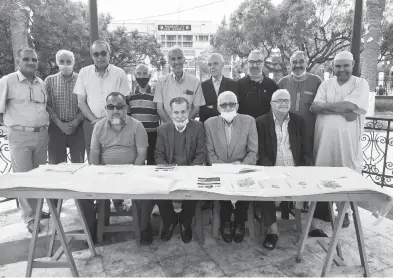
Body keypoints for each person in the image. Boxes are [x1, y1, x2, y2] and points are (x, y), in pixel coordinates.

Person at [310, 50, 370, 236]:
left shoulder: (360, 84)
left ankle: (344, 213)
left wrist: (328, 107)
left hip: (348, 144)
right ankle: (320, 215)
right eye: (338, 66)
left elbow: (350, 107)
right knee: (321, 177)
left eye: (345, 65)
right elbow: (314, 107)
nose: (342, 69)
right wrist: (343, 108)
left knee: (347, 177)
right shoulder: (325, 84)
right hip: (323, 143)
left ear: (353, 65)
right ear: (333, 67)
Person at [73, 40, 130, 211]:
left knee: (115, 161)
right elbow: (81, 102)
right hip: (92, 124)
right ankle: (100, 201)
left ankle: (117, 199)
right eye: (96, 54)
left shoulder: (119, 73)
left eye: (103, 53)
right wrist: (95, 120)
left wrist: (110, 121)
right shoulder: (84, 73)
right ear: (91, 55)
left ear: (109, 53)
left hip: (116, 124)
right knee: (95, 162)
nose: (100, 57)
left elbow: (123, 101)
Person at [0, 48, 50, 233]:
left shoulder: (41, 83)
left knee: (39, 176)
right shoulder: (8, 81)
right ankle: (30, 217)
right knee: (22, 177)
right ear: (18, 61)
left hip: (42, 134)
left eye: (34, 59)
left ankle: (38, 210)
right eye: (26, 59)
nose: (31, 62)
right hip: (19, 135)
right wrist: (9, 127)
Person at [256, 89, 313, 249]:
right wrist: (270, 171)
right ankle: (273, 231)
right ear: (271, 104)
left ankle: (307, 224)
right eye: (279, 101)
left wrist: (304, 170)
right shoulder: (261, 122)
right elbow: (260, 151)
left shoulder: (299, 121)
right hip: (271, 169)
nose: (283, 104)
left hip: (294, 170)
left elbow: (306, 150)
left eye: (286, 100)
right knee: (264, 188)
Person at [90, 92, 148, 242]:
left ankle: (143, 229)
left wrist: (131, 175)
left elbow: (142, 154)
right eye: (111, 107)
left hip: (132, 171)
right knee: (84, 196)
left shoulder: (137, 125)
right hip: (106, 173)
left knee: (147, 194)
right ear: (106, 109)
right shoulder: (98, 126)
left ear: (126, 108)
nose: (115, 111)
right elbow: (94, 154)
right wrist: (95, 175)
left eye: (119, 107)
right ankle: (94, 227)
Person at [204, 91, 258, 243]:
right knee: (223, 184)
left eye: (231, 104)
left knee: (245, 186)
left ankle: (240, 222)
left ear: (238, 105)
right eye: (223, 105)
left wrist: (241, 167)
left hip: (242, 168)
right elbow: (210, 154)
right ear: (218, 108)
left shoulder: (249, 121)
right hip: (220, 169)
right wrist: (226, 169)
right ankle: (225, 221)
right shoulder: (209, 123)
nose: (228, 108)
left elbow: (253, 151)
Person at [151, 97, 206, 244]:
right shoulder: (163, 129)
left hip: (191, 170)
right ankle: (169, 221)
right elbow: (159, 154)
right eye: (176, 112)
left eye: (183, 111)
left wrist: (189, 172)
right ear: (171, 112)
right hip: (170, 172)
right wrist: (169, 172)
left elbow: (201, 153)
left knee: (194, 190)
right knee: (158, 190)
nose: (180, 116)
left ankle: (185, 222)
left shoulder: (198, 127)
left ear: (189, 111)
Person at [277, 50, 323, 215]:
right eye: (294, 62)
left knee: (306, 163)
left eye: (300, 62)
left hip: (309, 132)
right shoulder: (283, 82)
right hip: (287, 131)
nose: (297, 65)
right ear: (290, 64)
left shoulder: (316, 81)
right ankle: (285, 201)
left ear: (306, 62)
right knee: (288, 163)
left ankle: (304, 202)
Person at [45, 50, 85, 164]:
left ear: (73, 62)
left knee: (78, 165)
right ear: (57, 62)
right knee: (57, 168)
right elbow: (47, 105)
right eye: (62, 61)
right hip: (56, 128)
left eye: (68, 61)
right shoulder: (49, 80)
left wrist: (75, 122)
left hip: (77, 128)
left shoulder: (81, 80)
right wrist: (60, 124)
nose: (65, 64)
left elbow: (86, 103)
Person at [154, 47, 205, 123]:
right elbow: (160, 108)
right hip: (167, 129)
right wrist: (172, 127)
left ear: (184, 60)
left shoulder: (195, 82)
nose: (177, 61)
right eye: (173, 59)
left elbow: (196, 108)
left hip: (188, 128)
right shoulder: (161, 82)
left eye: (179, 58)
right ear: (169, 62)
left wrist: (185, 124)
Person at [126, 64, 159, 165]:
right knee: (138, 162)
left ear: (149, 75)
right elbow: (128, 116)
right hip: (135, 134)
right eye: (139, 73)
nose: (142, 76)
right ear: (135, 75)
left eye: (145, 73)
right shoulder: (130, 95)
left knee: (152, 162)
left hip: (152, 134)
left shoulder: (156, 94)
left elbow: (160, 113)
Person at [237, 50, 278, 119]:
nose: (255, 65)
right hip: (245, 128)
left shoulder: (272, 85)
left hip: (265, 128)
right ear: (248, 63)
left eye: (258, 62)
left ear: (263, 63)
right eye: (252, 62)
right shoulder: (238, 85)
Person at [199, 53, 238, 123]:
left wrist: (212, 108)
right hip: (208, 128)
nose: (212, 67)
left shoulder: (233, 85)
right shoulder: (202, 86)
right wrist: (223, 108)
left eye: (215, 64)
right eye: (209, 64)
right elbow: (202, 112)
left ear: (222, 65)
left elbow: (235, 108)